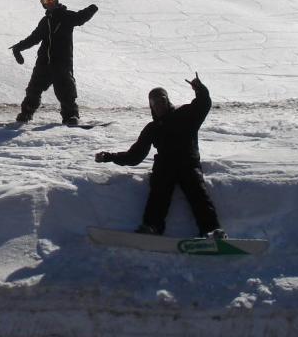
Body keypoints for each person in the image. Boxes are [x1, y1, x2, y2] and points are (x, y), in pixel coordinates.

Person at [94, 73, 225, 238]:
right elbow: (134, 156)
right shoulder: (152, 128)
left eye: (162, 100)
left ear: (167, 100)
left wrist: (199, 88)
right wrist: (109, 156)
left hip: (188, 165)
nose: (159, 105)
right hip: (165, 167)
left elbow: (203, 104)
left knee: (198, 193)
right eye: (155, 102)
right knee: (158, 194)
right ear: (151, 106)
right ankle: (152, 227)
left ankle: (211, 231)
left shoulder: (185, 115)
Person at [10, 0, 98, 126]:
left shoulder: (66, 16)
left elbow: (80, 18)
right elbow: (34, 38)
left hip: (62, 62)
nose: (49, 2)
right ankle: (26, 114)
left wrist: (91, 9)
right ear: (43, 3)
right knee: (33, 89)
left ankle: (71, 116)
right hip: (44, 62)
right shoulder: (45, 21)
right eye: (45, 0)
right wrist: (18, 48)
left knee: (66, 91)